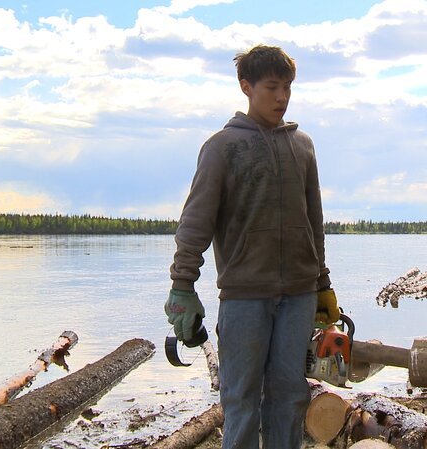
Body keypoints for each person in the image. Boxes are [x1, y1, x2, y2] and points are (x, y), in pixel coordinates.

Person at [165, 44, 339, 449]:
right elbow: (196, 221)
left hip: (297, 295)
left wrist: (322, 282)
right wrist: (182, 286)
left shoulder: (303, 146)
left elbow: (314, 220)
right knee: (241, 399)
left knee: (290, 396)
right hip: (244, 297)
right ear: (246, 87)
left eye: (287, 88)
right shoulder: (223, 147)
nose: (282, 97)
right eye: (272, 88)